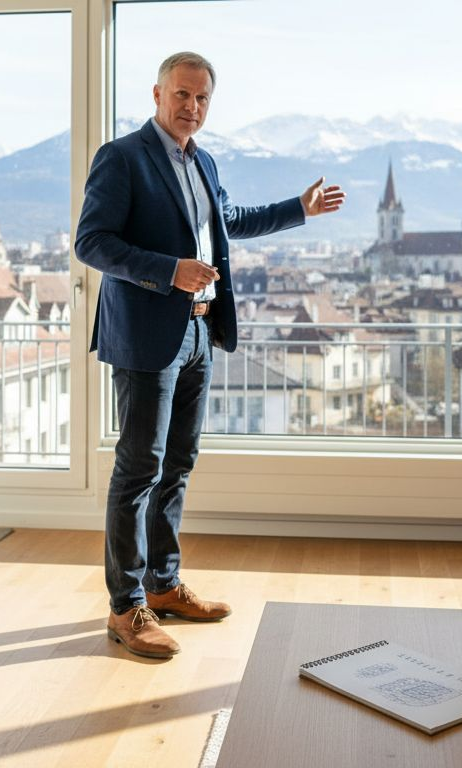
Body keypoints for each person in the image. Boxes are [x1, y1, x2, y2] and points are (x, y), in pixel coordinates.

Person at [75, 51, 345, 659]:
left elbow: (229, 220)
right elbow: (91, 243)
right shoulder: (122, 158)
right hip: (147, 334)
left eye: (202, 98)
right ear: (157, 94)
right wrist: (170, 270)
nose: (192, 107)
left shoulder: (203, 162)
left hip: (199, 331)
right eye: (182, 94)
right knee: (138, 469)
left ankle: (163, 585)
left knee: (178, 464)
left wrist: (299, 209)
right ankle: (126, 606)